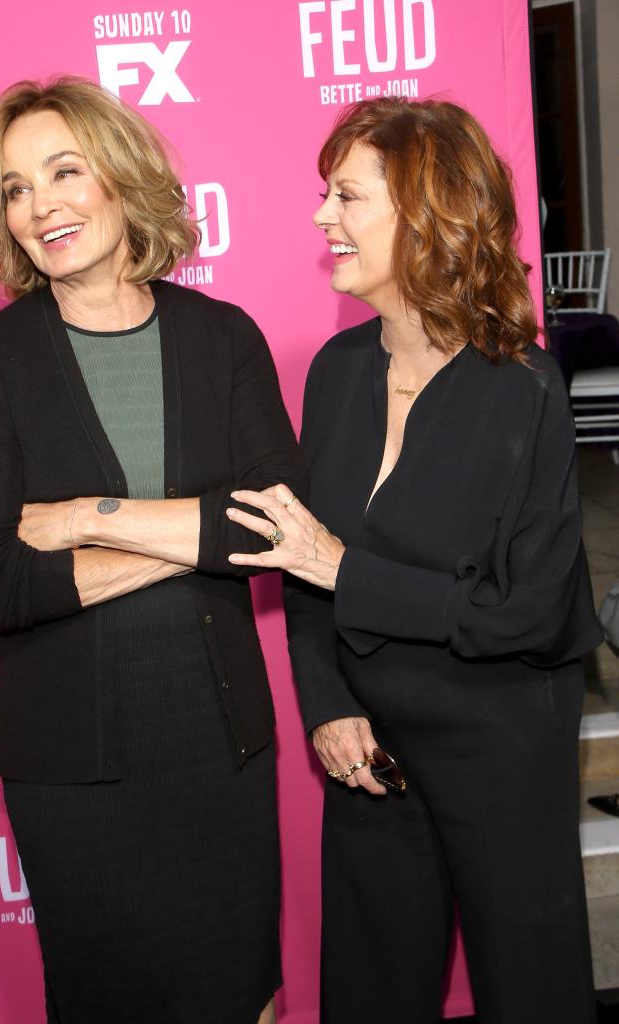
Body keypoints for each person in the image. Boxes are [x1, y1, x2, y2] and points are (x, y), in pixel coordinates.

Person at [226, 98, 602, 1024]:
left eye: (346, 196)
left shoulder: (521, 387)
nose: (322, 218)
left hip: (501, 739)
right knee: (370, 989)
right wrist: (327, 705)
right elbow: (299, 565)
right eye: (326, 194)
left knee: (529, 989)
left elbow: (531, 611)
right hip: (371, 748)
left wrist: (344, 569)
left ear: (427, 214)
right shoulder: (335, 369)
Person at [0, 76, 305, 1024]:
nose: (40, 205)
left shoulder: (221, 338)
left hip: (215, 747)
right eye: (16, 188)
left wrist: (86, 515)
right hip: (72, 769)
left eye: (64, 171)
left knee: (245, 998)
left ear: (121, 176)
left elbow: (276, 529)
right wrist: (197, 532)